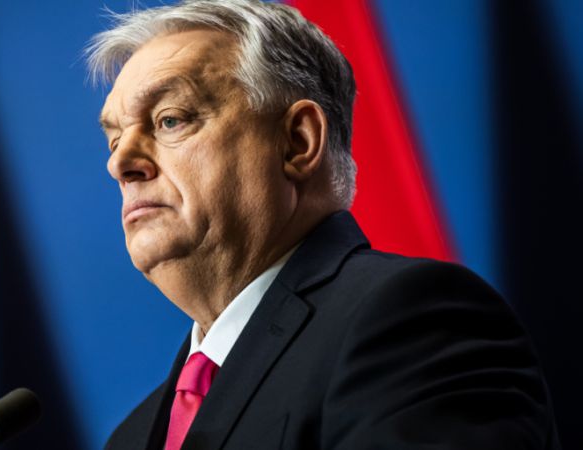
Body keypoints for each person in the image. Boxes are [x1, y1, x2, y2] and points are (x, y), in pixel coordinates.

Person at [87, 1, 560, 449]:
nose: (121, 164)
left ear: (297, 141)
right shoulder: (134, 434)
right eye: (113, 141)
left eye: (170, 120)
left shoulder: (412, 327)